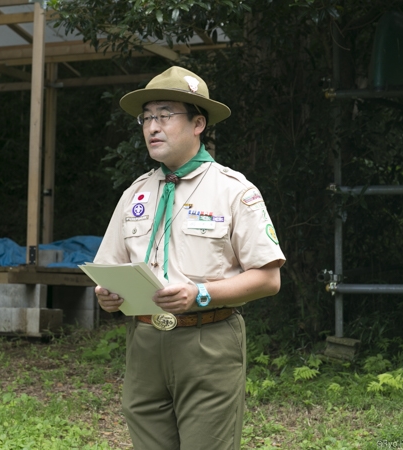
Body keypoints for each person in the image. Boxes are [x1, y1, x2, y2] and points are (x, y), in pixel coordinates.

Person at [93, 66, 286, 450]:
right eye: (146, 117)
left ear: (198, 123)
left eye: (165, 115)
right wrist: (107, 294)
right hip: (145, 342)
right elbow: (110, 269)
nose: (152, 127)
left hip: (208, 340)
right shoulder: (136, 193)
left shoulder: (233, 190)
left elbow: (268, 279)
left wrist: (201, 293)